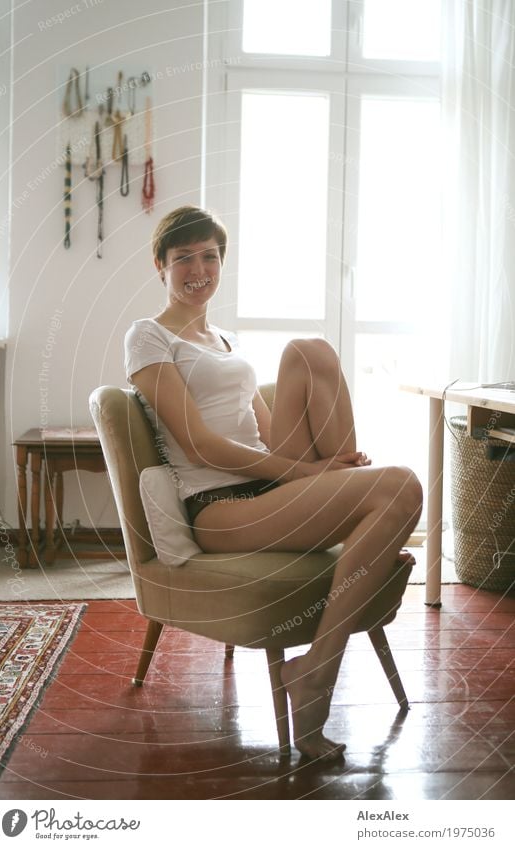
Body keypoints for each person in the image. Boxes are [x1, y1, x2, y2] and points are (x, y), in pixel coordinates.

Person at [124, 205, 423, 761]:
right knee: (402, 487)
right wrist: (309, 474)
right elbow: (200, 445)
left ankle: (316, 652)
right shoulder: (148, 336)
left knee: (310, 351)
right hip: (219, 505)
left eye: (209, 256)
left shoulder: (227, 342)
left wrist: (326, 470)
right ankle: (317, 671)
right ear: (160, 265)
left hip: (266, 491)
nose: (198, 268)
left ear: (222, 263)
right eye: (183, 256)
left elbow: (262, 434)